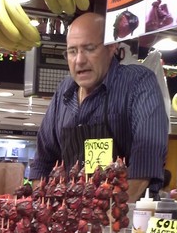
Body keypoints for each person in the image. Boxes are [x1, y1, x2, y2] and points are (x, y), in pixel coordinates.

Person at [29, 12, 168, 202]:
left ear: (112, 47)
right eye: (72, 51)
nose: (79, 60)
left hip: (124, 220)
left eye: (89, 48)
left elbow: (146, 159)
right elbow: (43, 163)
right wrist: (44, 211)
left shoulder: (137, 82)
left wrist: (107, 219)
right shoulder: (64, 92)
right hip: (71, 219)